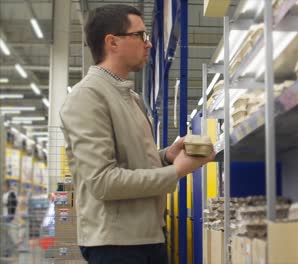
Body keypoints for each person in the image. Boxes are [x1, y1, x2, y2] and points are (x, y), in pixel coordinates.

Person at [59, 4, 214, 264]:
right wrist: (176, 171)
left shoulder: (130, 97)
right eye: (140, 35)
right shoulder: (87, 98)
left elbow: (131, 163)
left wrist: (166, 156)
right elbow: (103, 181)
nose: (149, 44)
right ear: (112, 42)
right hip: (117, 245)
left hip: (148, 237)